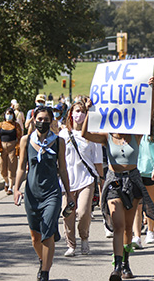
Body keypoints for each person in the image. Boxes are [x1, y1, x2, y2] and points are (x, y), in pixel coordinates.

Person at [82, 77, 154, 281]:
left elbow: (148, 114)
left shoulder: (136, 134)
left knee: (127, 226)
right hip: (114, 181)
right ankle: (116, 266)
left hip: (133, 181)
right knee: (118, 225)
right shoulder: (107, 136)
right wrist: (89, 110)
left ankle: (126, 262)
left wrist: (150, 90)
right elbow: (85, 134)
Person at [14, 106, 74, 281]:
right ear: (33, 120)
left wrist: (69, 194)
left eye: (46, 120)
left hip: (52, 194)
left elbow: (63, 169)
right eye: (39, 119)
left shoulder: (58, 142)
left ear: (51, 121)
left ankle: (45, 272)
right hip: (32, 193)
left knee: (47, 231)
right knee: (35, 237)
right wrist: (16, 188)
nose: (42, 123)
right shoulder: (26, 140)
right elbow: (21, 167)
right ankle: (43, 260)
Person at [59, 101, 103, 257]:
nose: (80, 114)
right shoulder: (63, 134)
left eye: (83, 111)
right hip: (68, 181)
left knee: (83, 212)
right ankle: (71, 244)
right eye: (77, 111)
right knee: (68, 213)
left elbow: (98, 161)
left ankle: (84, 237)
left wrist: (102, 182)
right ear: (71, 113)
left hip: (86, 179)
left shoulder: (92, 136)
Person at [131, 103, 154, 248]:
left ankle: (150, 231)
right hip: (136, 172)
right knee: (137, 206)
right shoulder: (134, 132)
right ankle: (137, 235)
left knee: (150, 203)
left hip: (151, 173)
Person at [0, 108, 23, 195]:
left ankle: (10, 186)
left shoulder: (16, 125)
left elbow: (19, 138)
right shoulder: (1, 125)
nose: (8, 115)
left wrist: (18, 150)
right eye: (7, 113)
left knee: (12, 167)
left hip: (12, 148)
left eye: (10, 113)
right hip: (2, 148)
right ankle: (6, 181)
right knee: (2, 167)